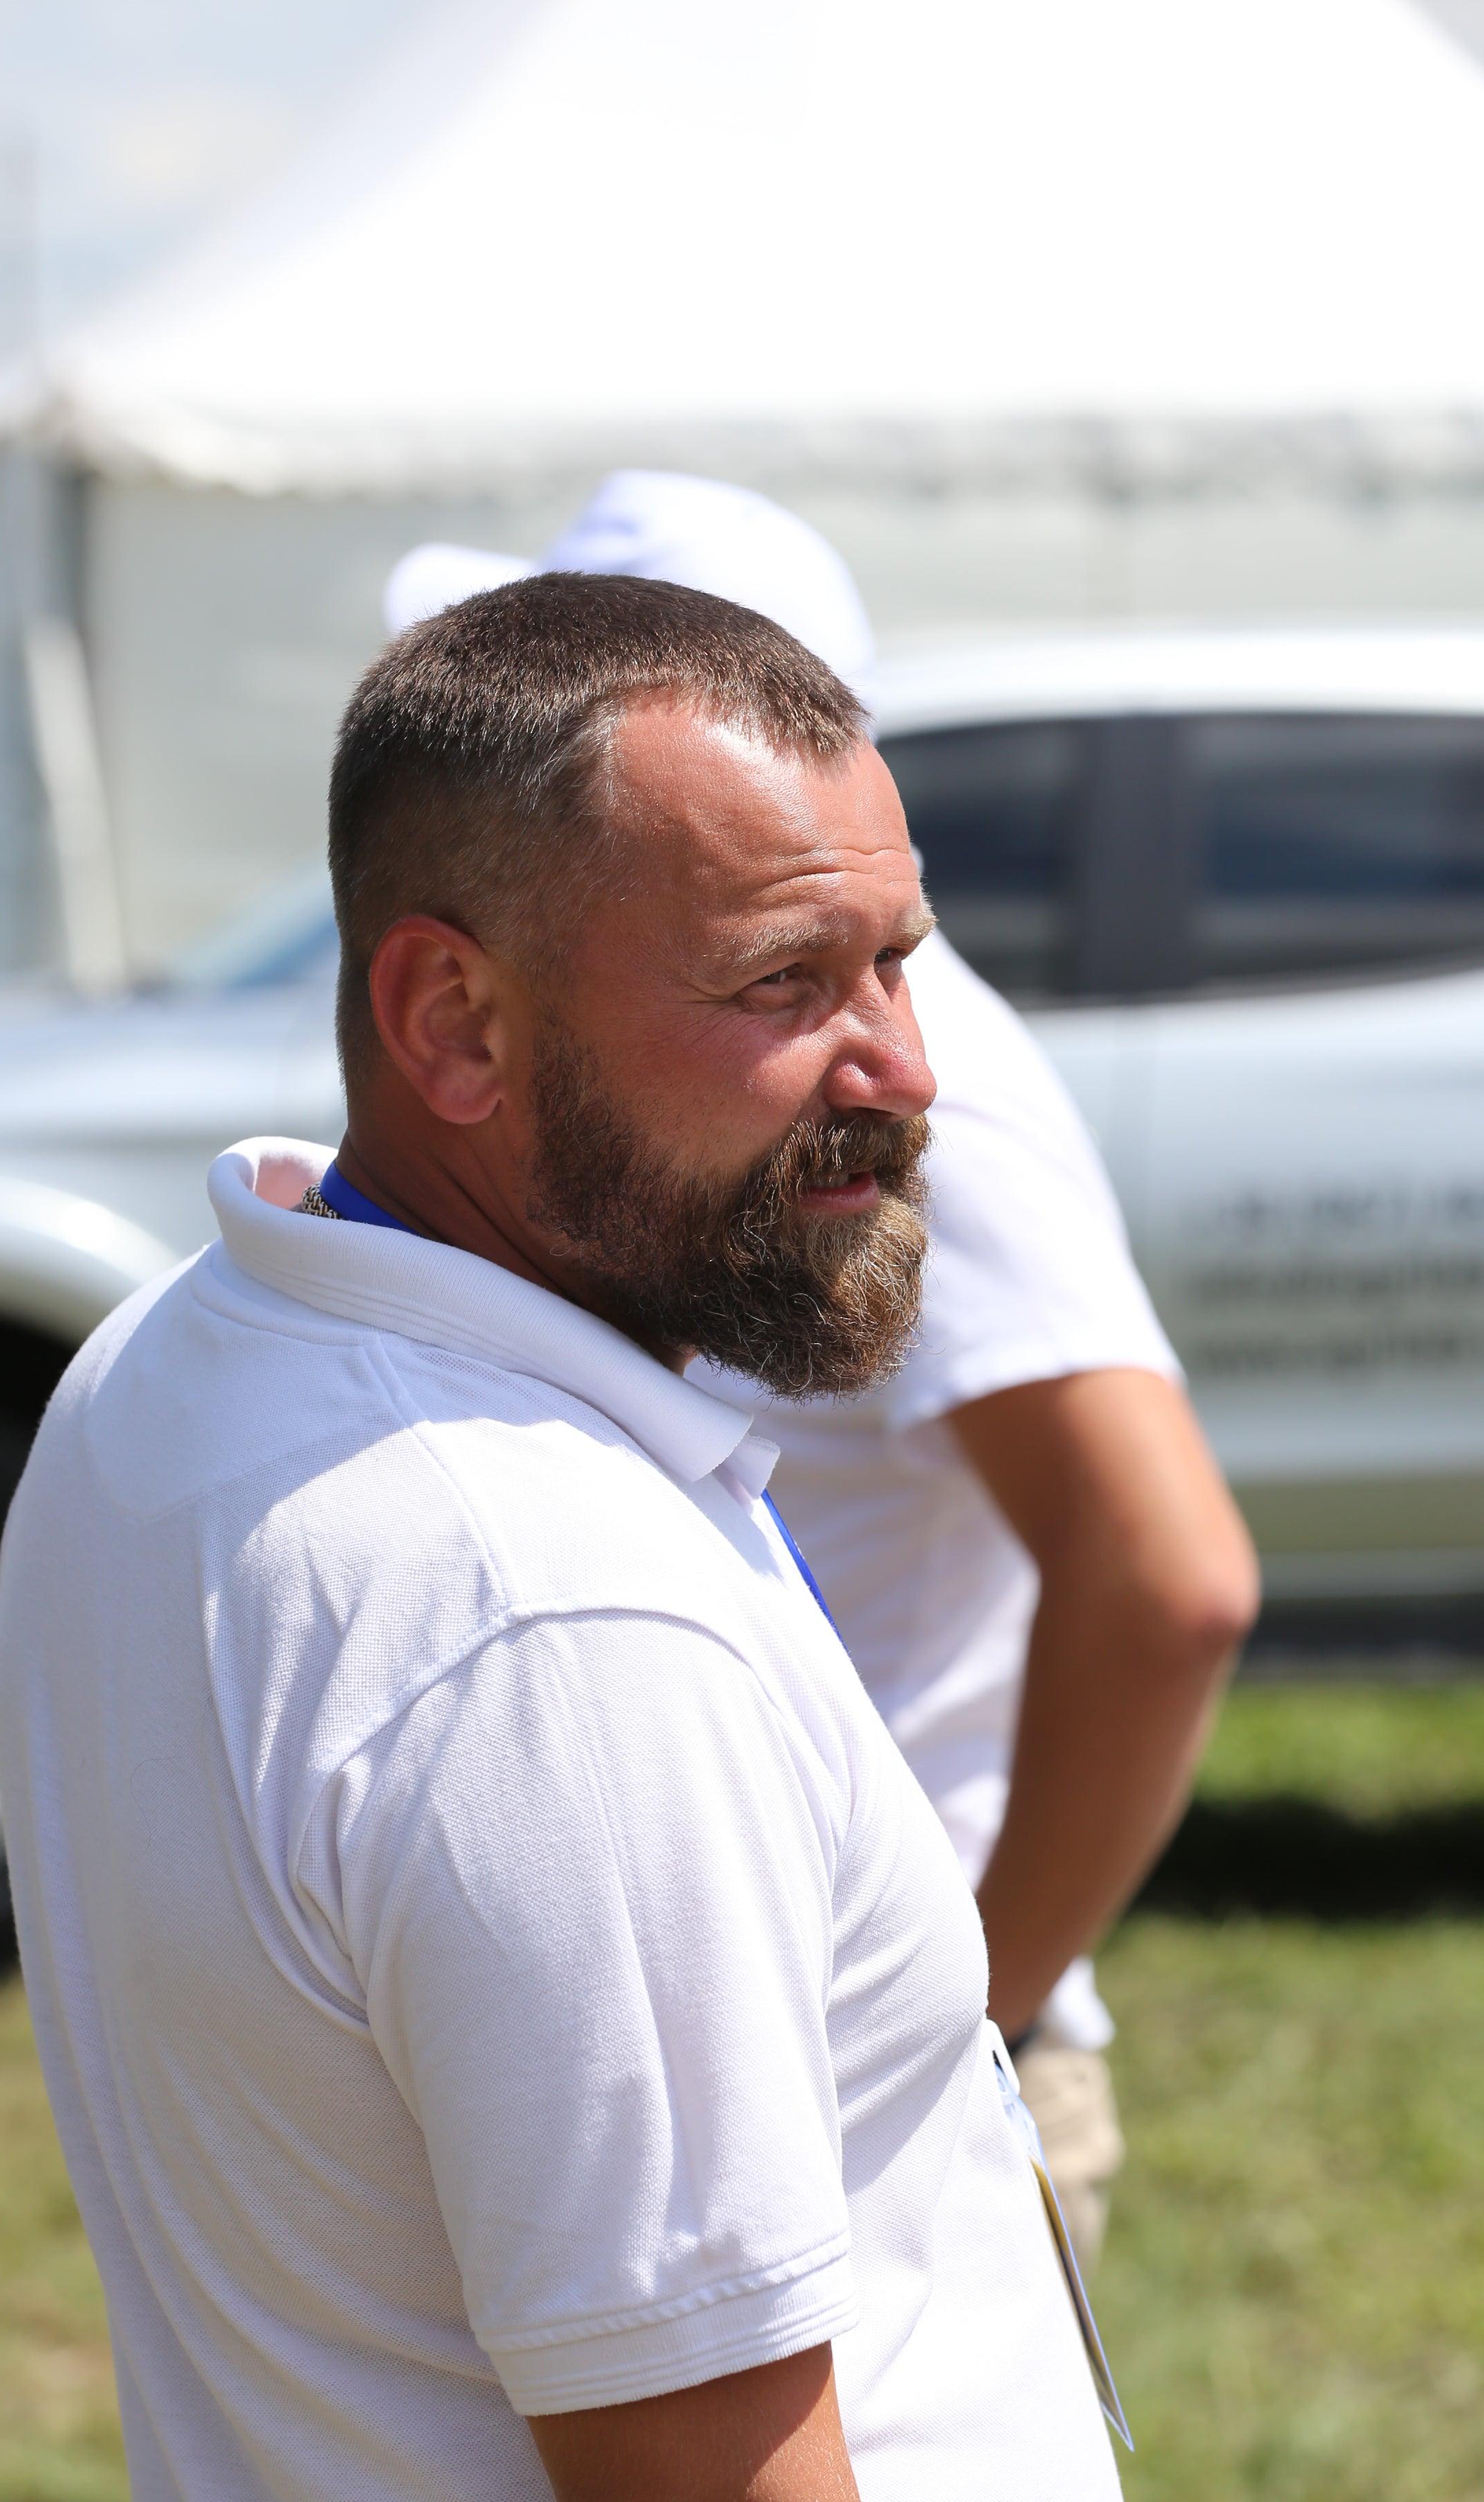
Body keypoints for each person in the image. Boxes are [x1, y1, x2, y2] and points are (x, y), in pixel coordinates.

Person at [0, 576, 1124, 2502]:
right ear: (454, 1021)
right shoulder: (558, 1629)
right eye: (783, 984)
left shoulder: (175, 1361)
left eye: (896, 962)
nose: (903, 1070)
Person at [386, 470, 1262, 2265]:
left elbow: (1170, 1581)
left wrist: (958, 2038)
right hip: (747, 2040)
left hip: (853, 2073)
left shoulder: (910, 1100)